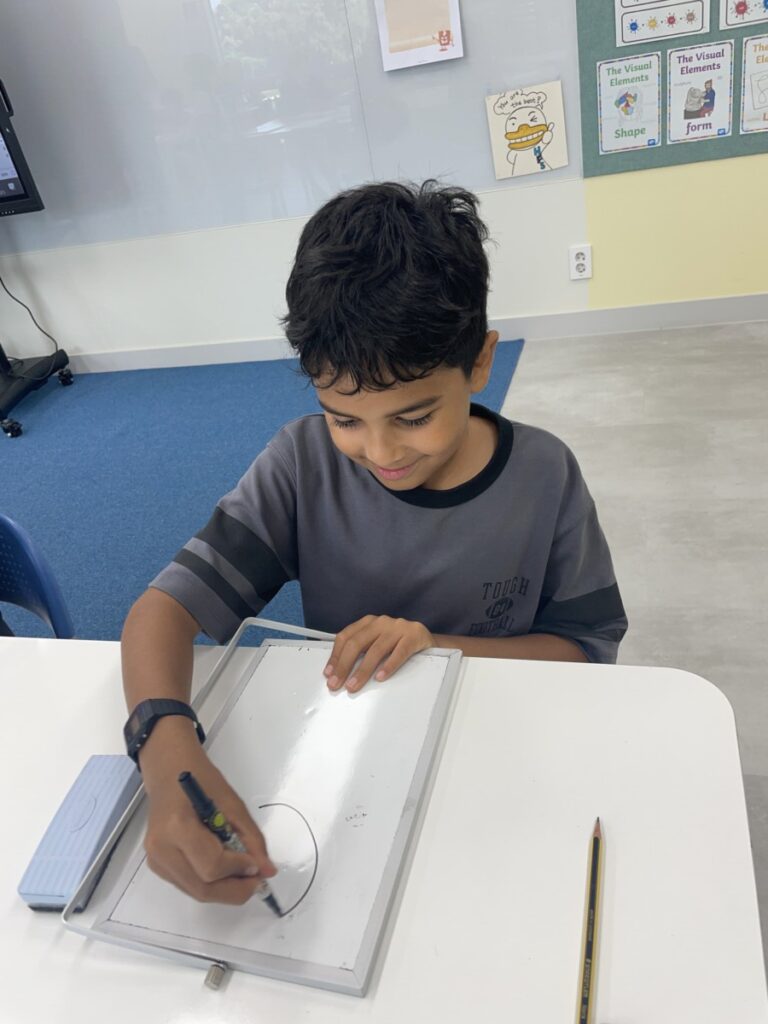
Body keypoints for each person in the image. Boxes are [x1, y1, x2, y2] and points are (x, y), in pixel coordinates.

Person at [121, 179, 627, 905]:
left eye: (414, 417)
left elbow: (585, 650)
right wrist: (166, 752)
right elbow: (163, 611)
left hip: (496, 757)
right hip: (346, 766)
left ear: (480, 363)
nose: (381, 451)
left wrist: (435, 646)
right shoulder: (302, 464)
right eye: (344, 418)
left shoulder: (544, 476)